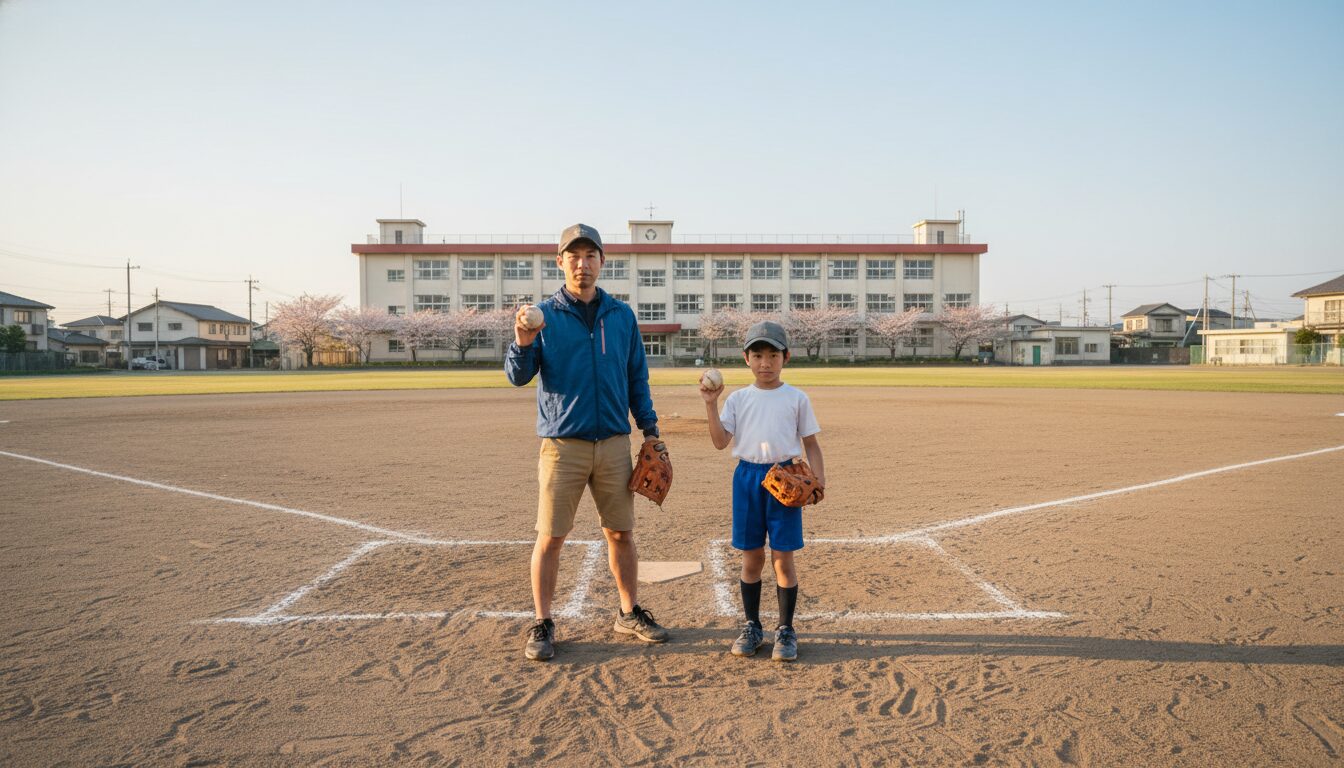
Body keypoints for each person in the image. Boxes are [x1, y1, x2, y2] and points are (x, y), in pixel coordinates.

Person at [505, 223, 670, 661]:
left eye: (590, 254)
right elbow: (518, 376)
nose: (582, 263)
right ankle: (542, 622)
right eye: (573, 255)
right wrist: (522, 341)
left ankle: (629, 611)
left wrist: (650, 429)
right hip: (564, 445)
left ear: (602, 261)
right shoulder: (543, 315)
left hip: (615, 442)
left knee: (621, 532)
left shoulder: (621, 316)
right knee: (551, 537)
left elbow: (637, 377)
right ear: (559, 262)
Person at [700, 320, 825, 662]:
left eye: (773, 355)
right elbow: (719, 441)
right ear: (746, 358)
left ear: (786, 357)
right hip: (747, 479)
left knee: (783, 558)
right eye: (758, 355)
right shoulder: (738, 399)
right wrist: (711, 404)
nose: (765, 363)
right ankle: (752, 625)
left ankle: (785, 630)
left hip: (785, 478)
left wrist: (819, 478)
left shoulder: (796, 398)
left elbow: (811, 443)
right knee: (751, 557)